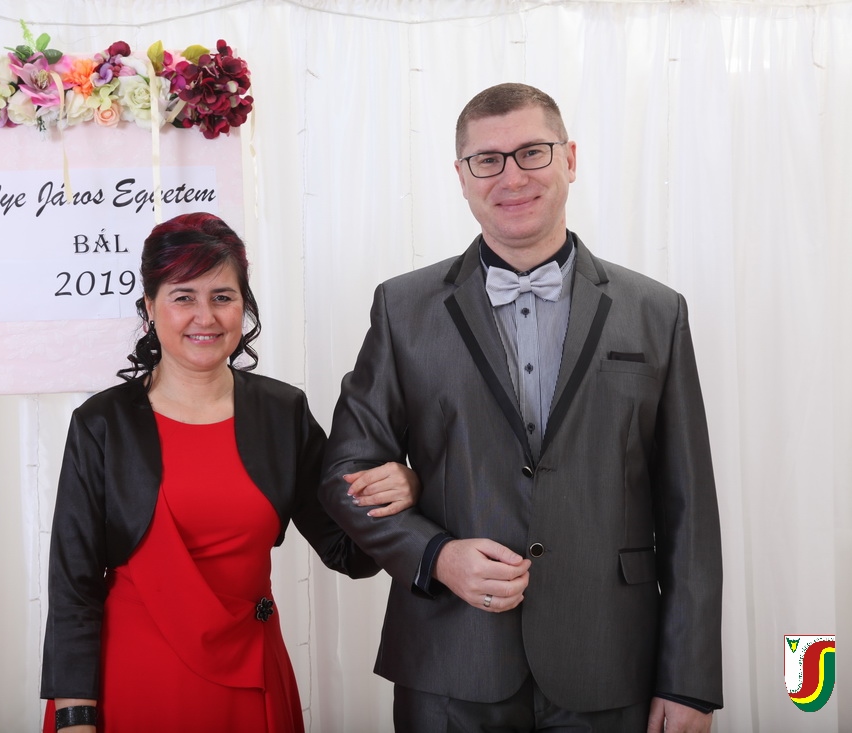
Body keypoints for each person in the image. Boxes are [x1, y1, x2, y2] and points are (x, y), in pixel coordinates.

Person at [319, 83, 723, 732]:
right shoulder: (403, 307)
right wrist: (436, 555)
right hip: (448, 660)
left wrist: (690, 680)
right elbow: (345, 473)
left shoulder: (655, 311)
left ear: (570, 158)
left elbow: (689, 510)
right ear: (462, 176)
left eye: (532, 152)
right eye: (488, 159)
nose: (512, 176)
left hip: (612, 660)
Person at [40, 212, 420, 733]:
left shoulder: (283, 412)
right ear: (149, 307)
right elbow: (73, 585)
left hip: (251, 675)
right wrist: (74, 716)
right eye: (183, 297)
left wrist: (402, 490)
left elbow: (346, 551)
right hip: (132, 680)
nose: (206, 317)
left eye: (222, 297)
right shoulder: (101, 423)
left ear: (244, 305)